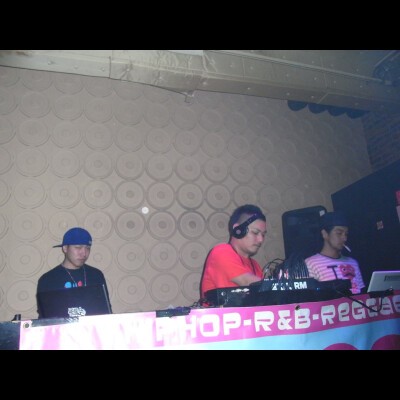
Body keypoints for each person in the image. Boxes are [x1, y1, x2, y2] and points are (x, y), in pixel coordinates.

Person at [36, 227, 112, 317]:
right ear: (65, 248)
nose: (84, 253)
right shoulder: (48, 279)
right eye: (78, 247)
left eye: (88, 248)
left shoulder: (96, 275)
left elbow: (106, 312)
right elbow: (45, 318)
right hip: (61, 326)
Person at [200, 204, 267, 301]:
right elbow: (247, 282)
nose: (261, 239)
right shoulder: (221, 252)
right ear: (238, 230)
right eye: (255, 233)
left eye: (263, 235)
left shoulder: (255, 265)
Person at [305, 211, 365, 294]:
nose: (344, 238)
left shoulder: (353, 263)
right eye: (339, 233)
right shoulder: (311, 263)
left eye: (346, 234)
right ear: (325, 234)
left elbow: (362, 293)